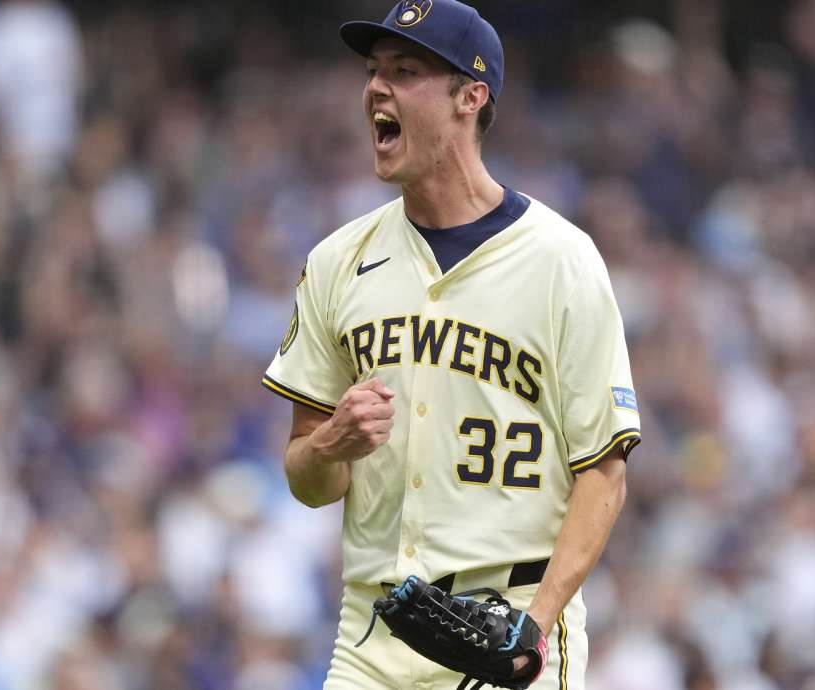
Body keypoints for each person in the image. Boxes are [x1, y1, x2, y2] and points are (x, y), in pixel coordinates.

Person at [260, 1, 641, 688]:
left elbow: (603, 471)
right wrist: (328, 447)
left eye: (406, 72)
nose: (377, 88)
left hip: (510, 620)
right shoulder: (337, 261)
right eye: (375, 72)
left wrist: (539, 624)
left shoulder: (562, 260)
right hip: (372, 633)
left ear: (472, 96)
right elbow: (306, 480)